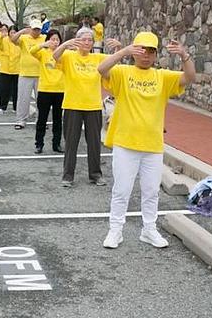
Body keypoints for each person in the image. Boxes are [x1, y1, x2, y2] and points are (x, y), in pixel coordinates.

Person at [97, 32, 195, 250]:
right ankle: (115, 230)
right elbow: (102, 69)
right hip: (126, 142)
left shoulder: (162, 77)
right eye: (141, 50)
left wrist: (184, 55)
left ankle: (148, 230)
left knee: (151, 191)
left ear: (156, 54)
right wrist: (123, 52)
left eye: (150, 51)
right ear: (134, 51)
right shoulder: (123, 72)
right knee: (121, 190)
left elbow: (189, 78)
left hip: (152, 144)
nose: (145, 55)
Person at [54, 28, 120, 187]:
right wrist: (65, 44)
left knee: (94, 142)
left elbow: (114, 61)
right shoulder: (69, 56)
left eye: (90, 40)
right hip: (72, 105)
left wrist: (119, 48)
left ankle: (95, 174)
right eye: (83, 39)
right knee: (71, 142)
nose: (87, 42)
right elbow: (55, 56)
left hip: (93, 106)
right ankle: (68, 176)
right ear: (77, 41)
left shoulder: (97, 57)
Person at [29, 29, 66, 155]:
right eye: (52, 39)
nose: (55, 42)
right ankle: (39, 144)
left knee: (57, 119)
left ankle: (57, 144)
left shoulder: (64, 54)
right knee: (42, 119)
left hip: (60, 90)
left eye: (57, 39)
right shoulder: (43, 53)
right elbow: (32, 51)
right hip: (45, 90)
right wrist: (42, 45)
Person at [10, 19, 46, 129]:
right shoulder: (24, 38)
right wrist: (22, 31)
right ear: (30, 28)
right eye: (34, 29)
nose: (36, 31)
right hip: (25, 73)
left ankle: (41, 120)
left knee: (41, 100)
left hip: (41, 73)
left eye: (38, 29)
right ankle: (21, 120)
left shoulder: (44, 38)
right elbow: (13, 40)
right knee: (23, 98)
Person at [0, 25, 19, 114]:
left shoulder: (20, 42)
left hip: (17, 69)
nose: (13, 34)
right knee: (4, 89)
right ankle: (2, 107)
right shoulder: (4, 40)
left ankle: (16, 107)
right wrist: (1, 36)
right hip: (5, 69)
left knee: (16, 90)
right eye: (11, 32)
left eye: (15, 32)